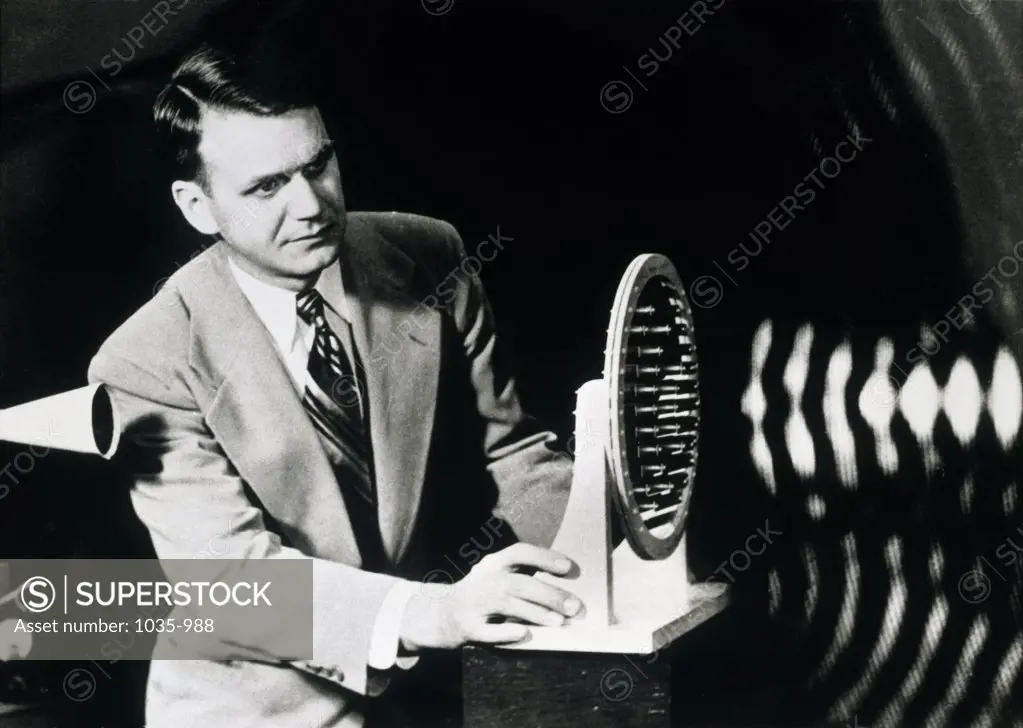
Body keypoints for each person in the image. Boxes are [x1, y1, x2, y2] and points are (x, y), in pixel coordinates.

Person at [87, 36, 579, 727]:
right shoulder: (143, 362)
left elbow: (514, 455)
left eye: (318, 165)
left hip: (434, 692)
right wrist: (430, 612)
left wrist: (607, 550)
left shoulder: (427, 254)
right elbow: (233, 579)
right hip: (253, 708)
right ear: (196, 206)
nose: (311, 205)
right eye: (266, 187)